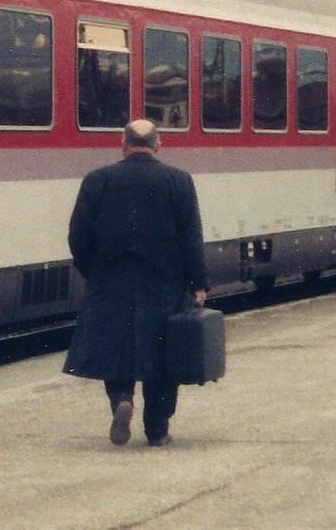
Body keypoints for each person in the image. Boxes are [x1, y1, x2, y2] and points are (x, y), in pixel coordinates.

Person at [63, 118, 209, 447]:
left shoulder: (97, 180)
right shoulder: (179, 181)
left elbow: (78, 235)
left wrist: (92, 270)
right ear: (158, 145)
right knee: (161, 354)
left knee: (116, 348)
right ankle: (157, 429)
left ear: (123, 145)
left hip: (110, 281)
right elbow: (191, 238)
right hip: (164, 284)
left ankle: (121, 399)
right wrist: (198, 283)